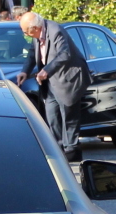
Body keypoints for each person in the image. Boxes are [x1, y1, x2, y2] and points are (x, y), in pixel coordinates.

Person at [17, 11, 92, 158]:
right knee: (52, 116)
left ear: (35, 28)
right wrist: (25, 71)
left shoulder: (56, 31)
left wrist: (46, 70)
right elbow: (33, 53)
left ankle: (71, 151)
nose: (25, 34)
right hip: (51, 82)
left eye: (26, 31)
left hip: (68, 78)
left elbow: (65, 54)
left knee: (69, 116)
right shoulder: (36, 35)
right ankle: (58, 150)